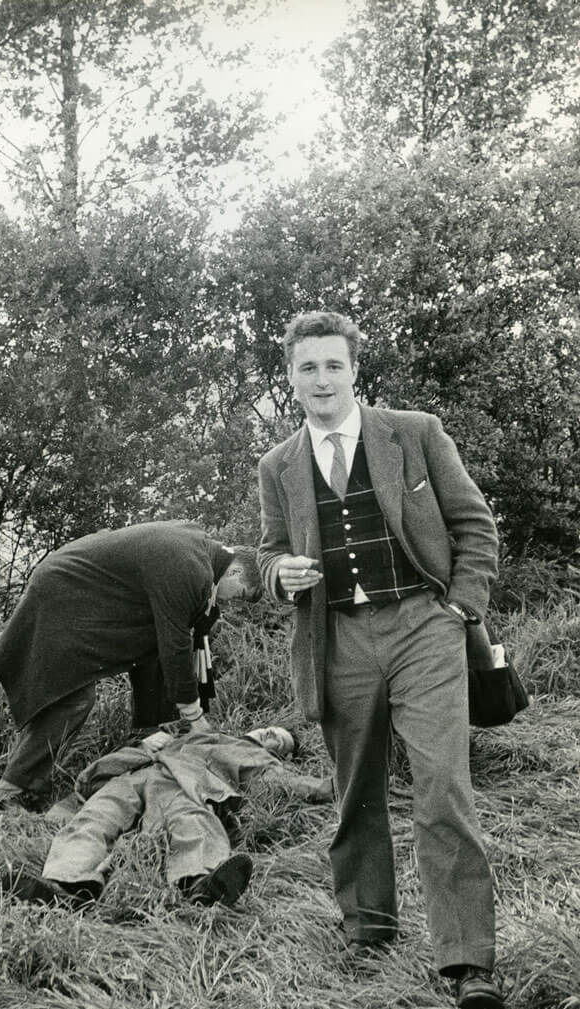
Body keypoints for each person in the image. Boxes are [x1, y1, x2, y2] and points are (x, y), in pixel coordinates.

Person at [257, 310, 504, 1009]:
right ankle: (368, 925)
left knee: (442, 789)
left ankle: (467, 963)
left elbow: (474, 524)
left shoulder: (415, 432)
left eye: (334, 364)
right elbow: (271, 548)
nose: (322, 379)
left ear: (355, 371)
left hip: (425, 627)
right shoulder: (277, 465)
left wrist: (459, 608)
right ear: (291, 379)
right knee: (354, 789)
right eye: (308, 367)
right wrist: (282, 574)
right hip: (338, 638)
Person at [0, 521, 261, 810]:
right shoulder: (191, 568)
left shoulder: (201, 553)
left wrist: (156, 724)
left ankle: (39, 783)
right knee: (73, 700)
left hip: (82, 593)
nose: (234, 602)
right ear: (234, 571)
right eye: (241, 593)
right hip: (64, 591)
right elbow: (174, 645)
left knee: (99, 684)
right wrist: (194, 716)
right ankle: (11, 789)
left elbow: (160, 640)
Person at [2, 725, 333, 909]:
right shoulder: (200, 732)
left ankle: (202, 883)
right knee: (95, 817)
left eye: (279, 740)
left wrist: (335, 786)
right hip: (135, 775)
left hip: (184, 785)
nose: (269, 735)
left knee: (191, 819)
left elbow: (284, 781)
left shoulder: (257, 756)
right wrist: (149, 744)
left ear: (280, 753)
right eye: (270, 730)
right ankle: (65, 883)